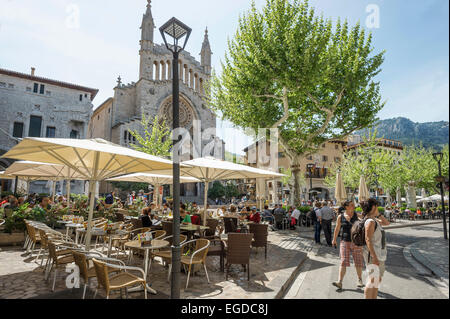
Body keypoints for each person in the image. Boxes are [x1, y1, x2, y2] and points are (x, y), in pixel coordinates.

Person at [331, 201, 365, 290]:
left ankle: (359, 279)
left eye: (354, 205)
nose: (354, 206)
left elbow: (366, 219)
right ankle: (340, 282)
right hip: (344, 241)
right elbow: (337, 228)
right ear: (346, 207)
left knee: (358, 261)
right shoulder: (340, 217)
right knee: (343, 261)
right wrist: (334, 239)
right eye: (352, 205)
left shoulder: (357, 215)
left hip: (356, 242)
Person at [362, 198, 390, 299]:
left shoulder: (374, 220)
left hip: (379, 254)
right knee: (372, 280)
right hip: (374, 255)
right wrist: (374, 257)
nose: (378, 208)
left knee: (377, 281)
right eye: (377, 206)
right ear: (373, 207)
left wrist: (378, 214)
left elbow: (387, 223)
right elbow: (368, 239)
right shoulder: (370, 221)